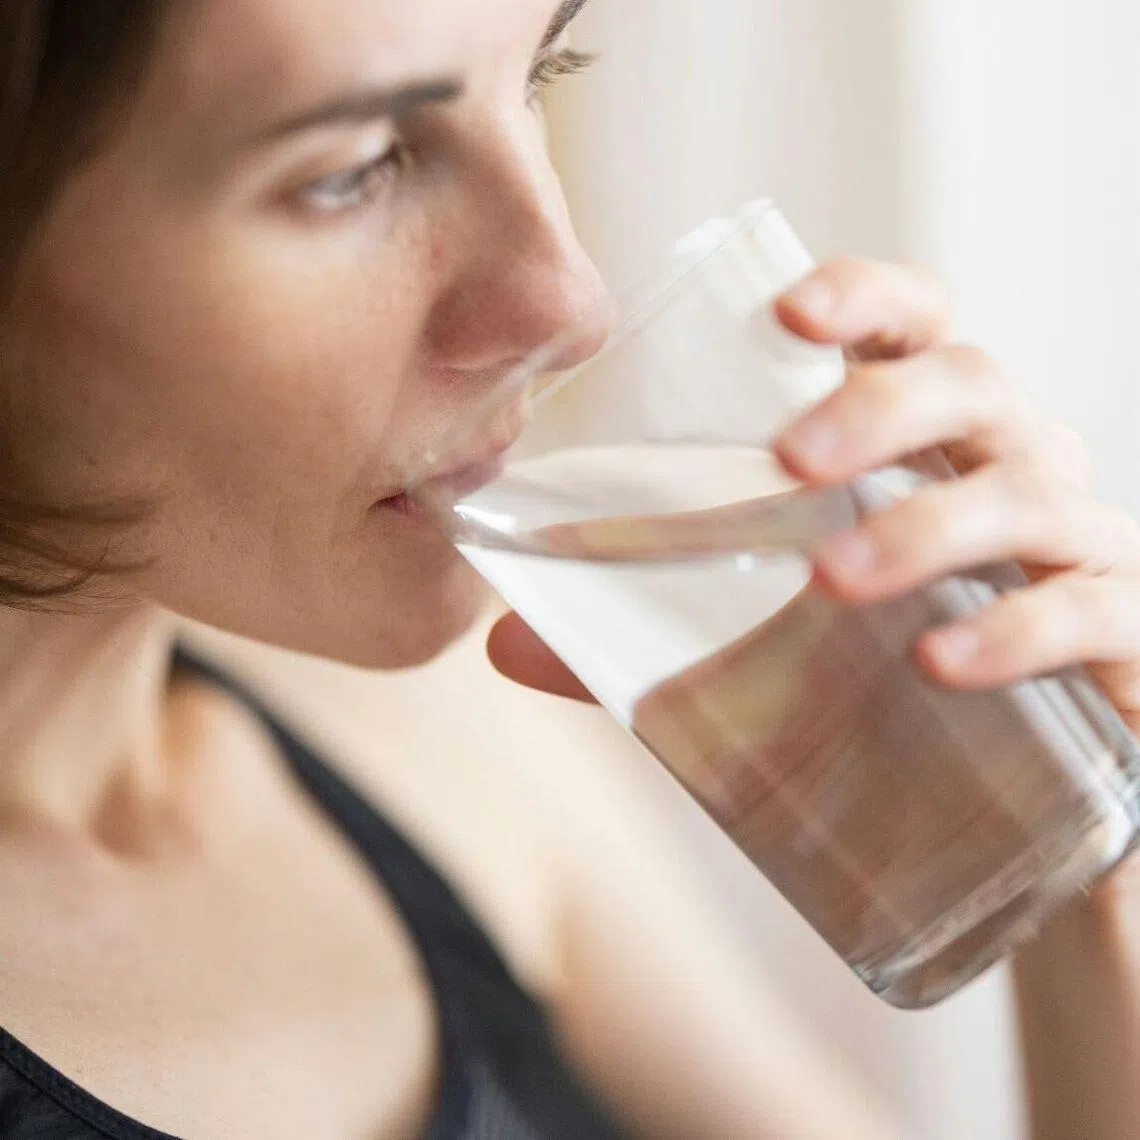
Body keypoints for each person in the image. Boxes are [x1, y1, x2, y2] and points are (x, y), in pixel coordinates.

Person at [0, 1, 1137, 1138]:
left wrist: (1093, 857)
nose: (570, 301)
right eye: (351, 170)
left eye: (543, 69)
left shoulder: (418, 737)